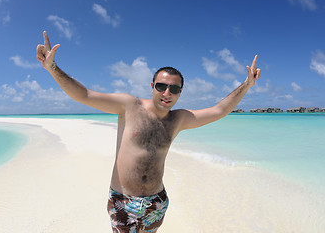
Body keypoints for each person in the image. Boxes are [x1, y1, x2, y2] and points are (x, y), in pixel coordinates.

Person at [36, 31, 261, 233]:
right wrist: (52, 68)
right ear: (152, 86)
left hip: (157, 202)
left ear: (180, 92)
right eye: (161, 86)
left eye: (174, 89)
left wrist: (247, 85)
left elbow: (219, 110)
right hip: (123, 201)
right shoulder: (129, 106)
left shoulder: (178, 119)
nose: (167, 92)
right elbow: (84, 94)